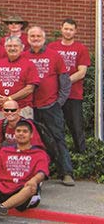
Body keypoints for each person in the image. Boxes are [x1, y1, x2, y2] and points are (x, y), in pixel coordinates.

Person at [25, 25, 75, 186]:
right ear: (27, 39)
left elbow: (65, 82)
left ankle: (66, 172)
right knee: (30, 141)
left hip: (50, 106)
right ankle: (36, 173)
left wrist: (58, 102)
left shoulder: (54, 56)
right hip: (29, 107)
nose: (35, 39)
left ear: (44, 38)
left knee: (58, 138)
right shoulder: (23, 56)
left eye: (38, 36)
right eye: (32, 36)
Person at [0, 119, 50, 220]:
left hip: (21, 191)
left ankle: (1, 208)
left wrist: (34, 180)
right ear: (14, 134)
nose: (21, 134)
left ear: (31, 135)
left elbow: (42, 173)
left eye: (25, 131)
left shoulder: (39, 153)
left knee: (31, 188)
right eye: (18, 131)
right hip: (1, 188)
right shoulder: (5, 150)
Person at [48, 18, 90, 153]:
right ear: (61, 29)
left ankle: (81, 155)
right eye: (66, 28)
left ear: (75, 31)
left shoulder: (81, 48)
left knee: (76, 127)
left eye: (71, 29)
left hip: (74, 95)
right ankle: (55, 156)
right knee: (53, 127)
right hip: (53, 95)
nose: (68, 32)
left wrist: (63, 83)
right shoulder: (52, 47)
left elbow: (82, 72)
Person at [0, 37, 38, 121]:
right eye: (9, 46)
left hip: (22, 108)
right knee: (1, 133)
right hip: (1, 109)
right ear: (5, 48)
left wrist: (9, 99)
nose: (12, 48)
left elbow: (29, 88)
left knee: (22, 133)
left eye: (15, 46)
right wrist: (0, 98)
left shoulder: (29, 64)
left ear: (22, 48)